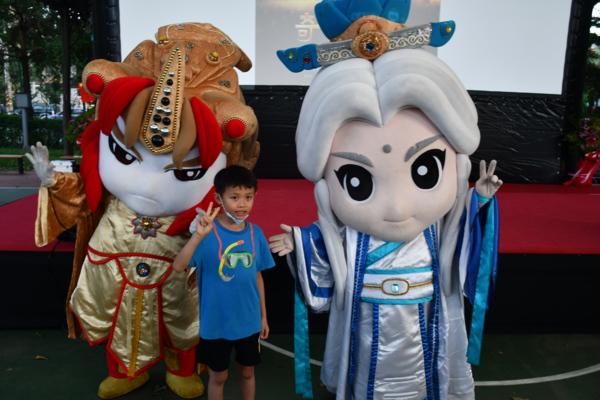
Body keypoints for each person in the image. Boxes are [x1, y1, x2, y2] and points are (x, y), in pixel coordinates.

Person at [268, 47, 502, 400]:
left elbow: (465, 238)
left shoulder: (440, 230)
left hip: (428, 311)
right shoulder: (354, 235)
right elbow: (331, 238)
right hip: (367, 317)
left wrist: (480, 201)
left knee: (427, 371)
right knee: (368, 369)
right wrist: (301, 241)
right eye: (356, 180)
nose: (396, 206)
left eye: (426, 170)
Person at [173, 165, 275, 400]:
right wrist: (198, 236)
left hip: (249, 322)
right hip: (215, 323)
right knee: (218, 376)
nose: (242, 204)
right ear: (219, 198)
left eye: (248, 197)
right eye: (234, 197)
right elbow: (179, 266)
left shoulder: (256, 233)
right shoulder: (207, 233)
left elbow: (257, 276)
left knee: (247, 373)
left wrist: (263, 316)